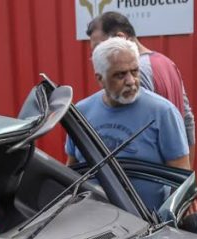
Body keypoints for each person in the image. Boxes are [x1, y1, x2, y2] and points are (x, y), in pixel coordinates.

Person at [66, 37, 189, 211]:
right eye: (120, 75)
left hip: (146, 227)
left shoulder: (163, 113)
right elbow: (72, 168)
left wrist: (169, 221)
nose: (131, 81)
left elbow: (181, 178)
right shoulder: (81, 112)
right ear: (100, 79)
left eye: (135, 71)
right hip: (90, 223)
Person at [86, 11, 197, 166]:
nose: (95, 56)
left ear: (120, 38)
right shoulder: (166, 62)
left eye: (99, 47)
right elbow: (187, 119)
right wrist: (186, 173)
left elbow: (132, 130)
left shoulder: (139, 71)